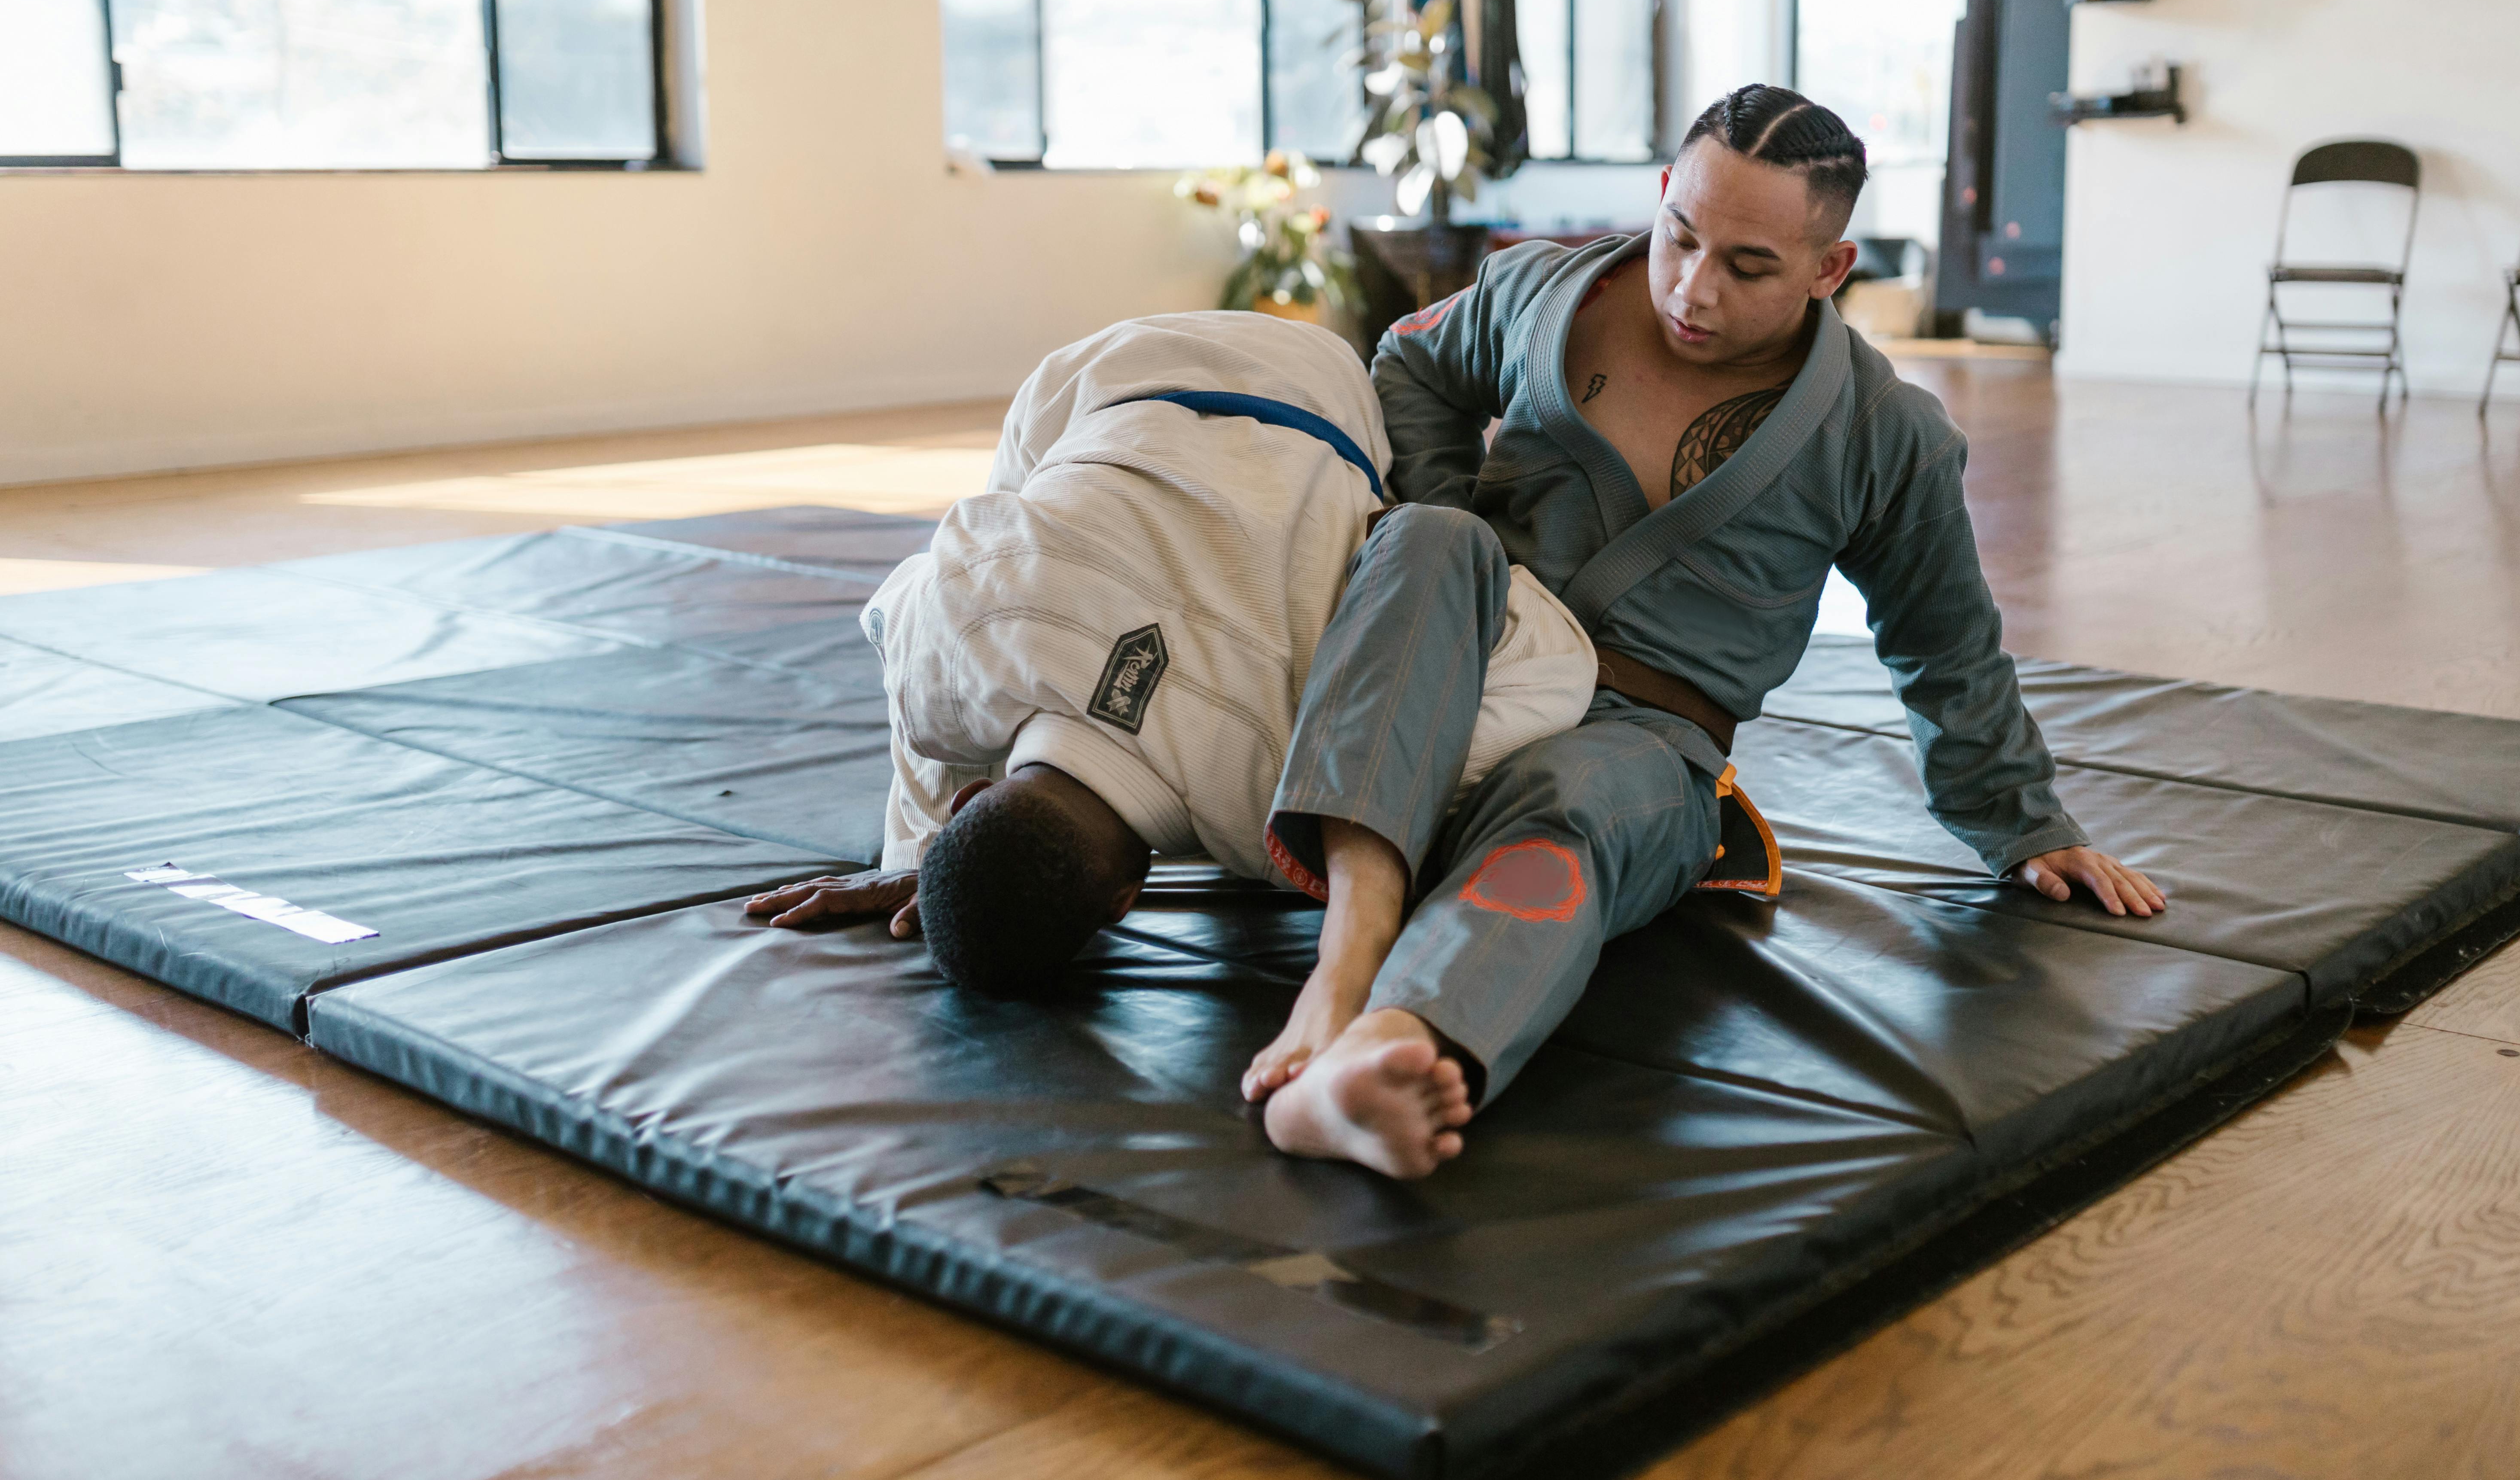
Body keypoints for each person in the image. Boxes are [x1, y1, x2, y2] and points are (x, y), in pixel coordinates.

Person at [1249, 83, 2167, 1182]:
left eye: (1749, 266)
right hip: (1460, 661)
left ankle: (1391, 1052)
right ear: (1663, 196)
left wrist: (2024, 822)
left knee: (1577, 806)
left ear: (1831, 270)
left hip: (1642, 745)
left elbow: (1946, 645)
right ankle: (1341, 971)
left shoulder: (1886, 437)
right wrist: (1451, 511)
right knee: (1434, 539)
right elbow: (1409, 361)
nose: (1694, 288)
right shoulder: (1546, 290)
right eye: (1680, 236)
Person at [742, 311, 1599, 1163]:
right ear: (976, 793)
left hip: (1326, 404)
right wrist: (921, 842)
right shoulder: (960, 638)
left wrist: (1413, 724)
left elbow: (1563, 666)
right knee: (1011, 519)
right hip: (1110, 377)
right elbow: (900, 621)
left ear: (1124, 903)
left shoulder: (1287, 803)